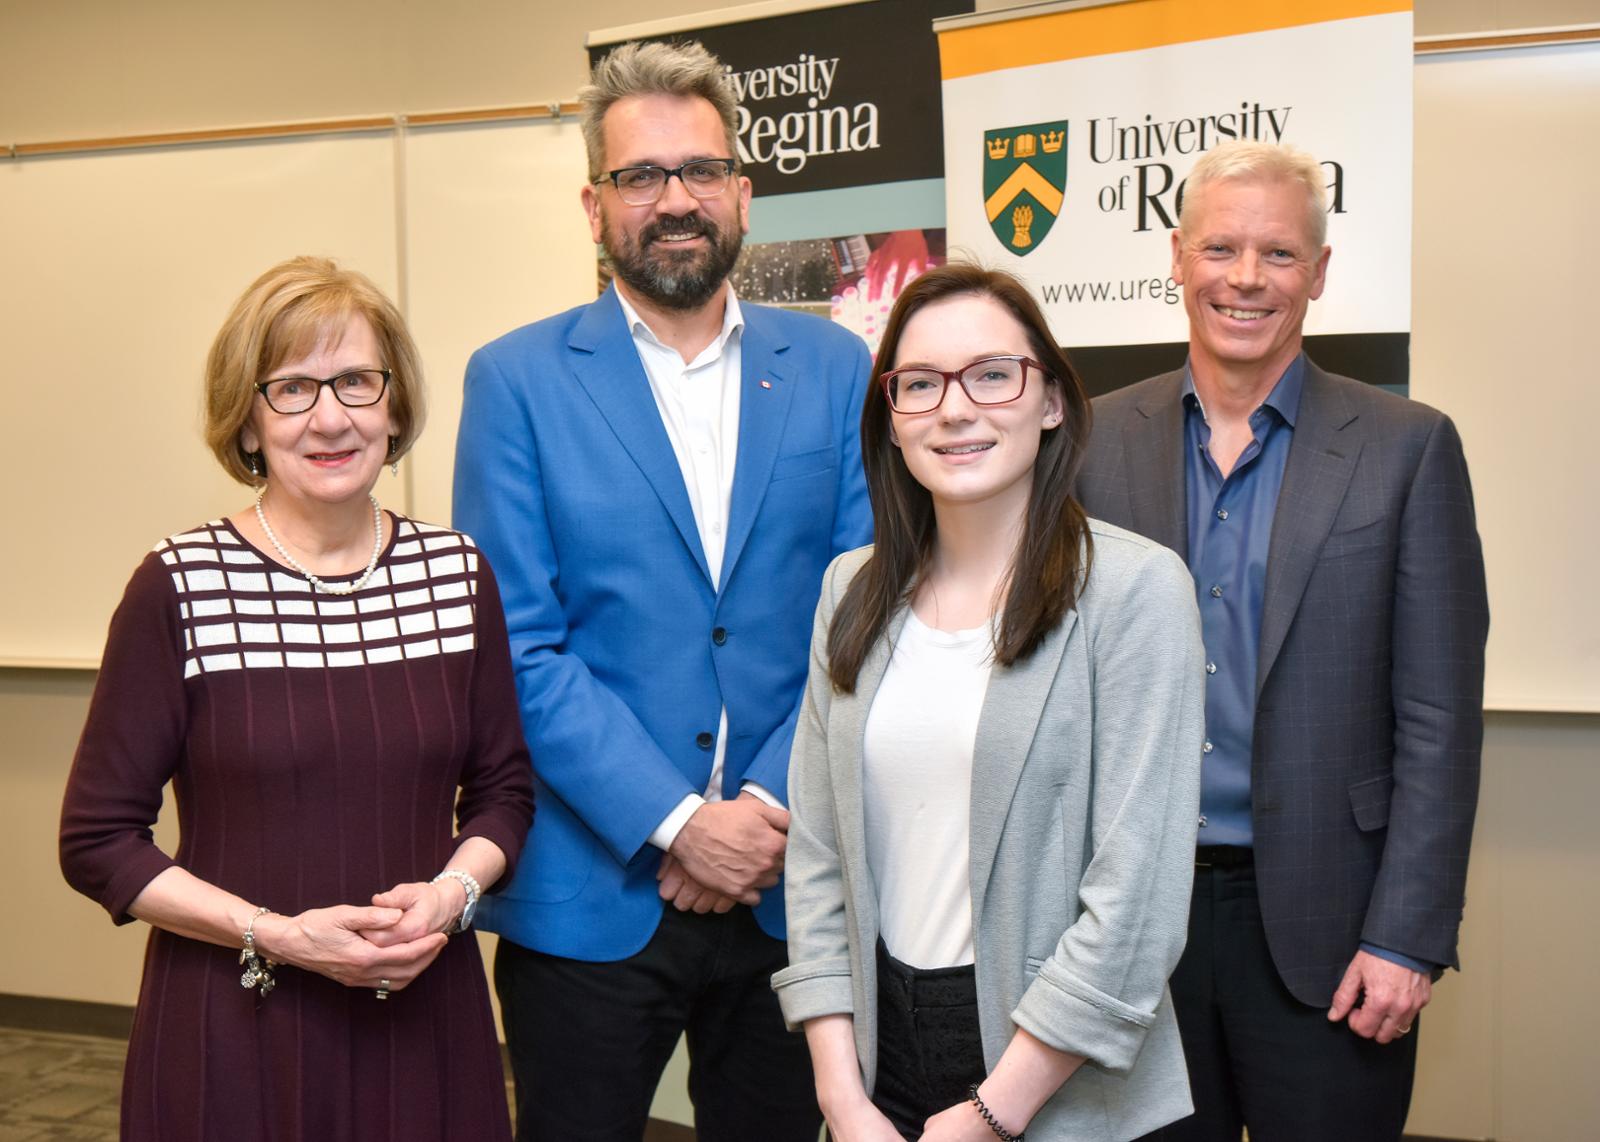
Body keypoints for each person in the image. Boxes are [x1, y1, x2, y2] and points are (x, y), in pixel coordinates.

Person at [451, 39, 873, 1142]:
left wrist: (761, 814)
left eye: (698, 172)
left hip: (792, 888)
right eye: (640, 176)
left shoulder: (836, 371)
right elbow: (518, 644)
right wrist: (682, 822)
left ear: (742, 193)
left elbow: (867, 611)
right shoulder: (517, 380)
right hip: (590, 893)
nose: (673, 199)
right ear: (594, 207)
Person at [59, 256, 534, 1142]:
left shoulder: (458, 574)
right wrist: (276, 936)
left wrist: (451, 893)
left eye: (356, 381)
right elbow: (97, 842)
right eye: (291, 388)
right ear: (246, 418)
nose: (330, 417)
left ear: (394, 408)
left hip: (422, 1013)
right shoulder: (178, 585)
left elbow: (505, 791)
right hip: (234, 1024)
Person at [1074, 141, 1491, 1142]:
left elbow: (1438, 719)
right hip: (1135, 925)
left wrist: (1406, 934)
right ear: (1176, 257)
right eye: (1220, 247)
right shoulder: (1087, 443)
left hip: (1333, 930)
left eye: (1278, 253)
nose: (1246, 278)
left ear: (1319, 271)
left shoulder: (1406, 445)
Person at [773, 262, 1207, 1141]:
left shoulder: (1135, 591)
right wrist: (841, 1099)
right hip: (875, 1066)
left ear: (1050, 400)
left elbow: (1137, 905)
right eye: (921, 384)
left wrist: (988, 1113)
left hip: (1058, 1078)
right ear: (891, 422)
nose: (956, 409)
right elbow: (817, 860)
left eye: (993, 374)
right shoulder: (848, 591)